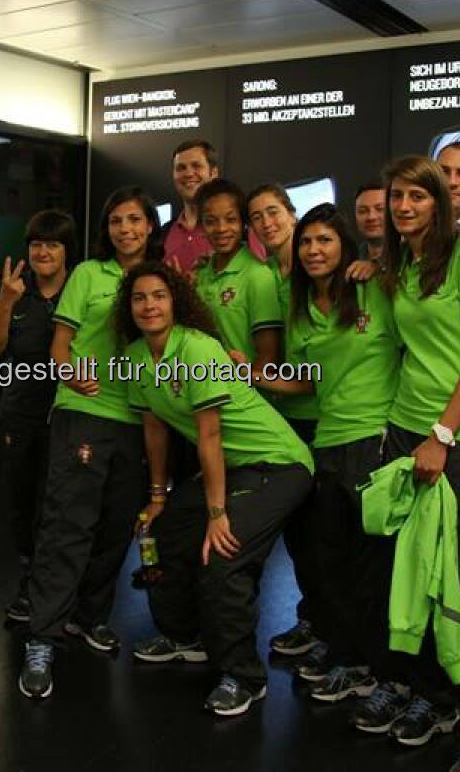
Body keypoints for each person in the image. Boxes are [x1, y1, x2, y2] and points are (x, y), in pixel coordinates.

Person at [120, 261, 314, 716]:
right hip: (230, 468)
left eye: (159, 296)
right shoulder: (133, 356)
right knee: (160, 535)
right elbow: (155, 429)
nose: (149, 305)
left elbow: (208, 435)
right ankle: (184, 634)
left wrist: (215, 513)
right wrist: (157, 498)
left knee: (223, 553)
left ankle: (243, 676)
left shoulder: (199, 348)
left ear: (177, 302)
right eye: (139, 298)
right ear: (129, 308)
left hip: (278, 465)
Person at [370, 156, 460, 772]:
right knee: (411, 577)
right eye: (396, 197)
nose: (403, 207)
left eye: (416, 197)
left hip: (459, 441)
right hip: (405, 430)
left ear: (441, 201)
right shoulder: (399, 263)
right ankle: (435, 698)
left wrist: (443, 435)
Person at [18, 187, 160, 699]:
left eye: (135, 221)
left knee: (116, 527)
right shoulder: (88, 275)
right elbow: (60, 346)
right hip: (86, 411)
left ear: (149, 227)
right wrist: (71, 375)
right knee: (67, 527)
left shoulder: (159, 278)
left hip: (141, 417)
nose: (126, 229)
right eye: (117, 221)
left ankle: (88, 617)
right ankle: (42, 639)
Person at [256, 204, 401, 696]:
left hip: (374, 440)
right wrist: (253, 373)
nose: (314, 251)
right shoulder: (298, 309)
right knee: (331, 561)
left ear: (344, 246)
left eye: (325, 241)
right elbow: (308, 381)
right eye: (307, 243)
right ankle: (350, 660)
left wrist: (379, 267)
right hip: (328, 441)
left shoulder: (372, 290)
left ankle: (386, 672)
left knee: (372, 566)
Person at [0, 210, 76, 623]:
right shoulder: (13, 291)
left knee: (63, 504)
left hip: (74, 413)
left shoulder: (82, 288)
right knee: (23, 501)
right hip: (20, 414)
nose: (43, 252)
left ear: (67, 251)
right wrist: (6, 301)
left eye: (53, 244)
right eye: (37, 244)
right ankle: (31, 579)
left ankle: (64, 587)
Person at [245, 184, 321, 659]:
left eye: (273, 212)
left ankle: (332, 634)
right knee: (301, 537)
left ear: (293, 215)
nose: (266, 222)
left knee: (324, 539)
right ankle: (311, 622)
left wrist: (253, 373)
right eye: (257, 217)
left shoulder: (319, 270)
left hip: (324, 420)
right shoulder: (268, 275)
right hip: (284, 419)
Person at [193, 180, 282, 380]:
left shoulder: (258, 275)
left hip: (244, 398)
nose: (221, 228)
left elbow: (268, 357)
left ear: (243, 224)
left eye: (231, 219)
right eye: (210, 221)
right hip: (207, 391)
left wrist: (244, 393)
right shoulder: (201, 275)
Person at [162, 140, 262, 275]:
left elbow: (257, 273)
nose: (188, 173)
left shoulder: (243, 230)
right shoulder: (164, 234)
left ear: (213, 173)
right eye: (181, 168)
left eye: (196, 165)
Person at [354, 183, 387, 263]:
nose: (371, 217)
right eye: (362, 211)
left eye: (380, 209)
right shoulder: (352, 258)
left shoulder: (412, 254)